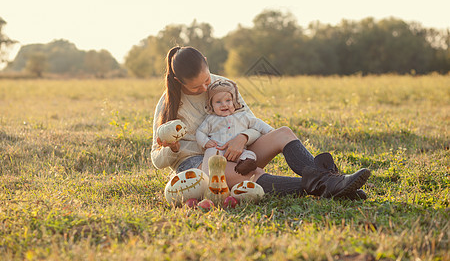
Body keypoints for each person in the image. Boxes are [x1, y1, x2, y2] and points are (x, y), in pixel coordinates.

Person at [151, 46, 371, 199]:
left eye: (207, 79)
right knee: (251, 176)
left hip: (238, 154)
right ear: (179, 81)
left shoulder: (224, 85)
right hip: (199, 165)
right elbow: (156, 159)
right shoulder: (168, 104)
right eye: (196, 87)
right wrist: (172, 149)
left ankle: (329, 182)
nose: (205, 88)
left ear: (207, 64)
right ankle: (331, 186)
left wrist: (243, 137)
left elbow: (251, 123)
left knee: (283, 133)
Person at [196, 78, 274, 176]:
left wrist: (270, 131)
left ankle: (244, 166)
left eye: (228, 100)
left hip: (238, 151)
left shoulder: (242, 116)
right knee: (210, 154)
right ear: (211, 105)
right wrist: (205, 142)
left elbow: (258, 123)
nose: (224, 105)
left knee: (249, 155)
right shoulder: (211, 119)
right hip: (218, 150)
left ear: (234, 102)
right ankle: (208, 178)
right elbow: (200, 132)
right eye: (218, 102)